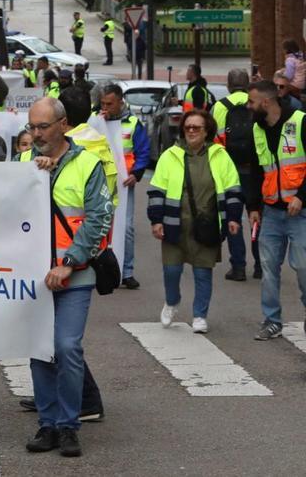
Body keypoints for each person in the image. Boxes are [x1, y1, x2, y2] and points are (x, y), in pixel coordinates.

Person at [18, 97, 112, 458]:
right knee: (40, 350)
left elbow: (98, 218)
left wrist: (68, 263)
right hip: (34, 278)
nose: (36, 134)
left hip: (75, 275)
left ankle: (69, 426)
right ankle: (48, 424)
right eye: (32, 127)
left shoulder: (88, 164)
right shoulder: (23, 164)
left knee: (66, 347)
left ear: (63, 124)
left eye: (43, 126)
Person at [148, 110, 243, 333]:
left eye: (196, 127)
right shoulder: (170, 155)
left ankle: (200, 315)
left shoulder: (220, 156)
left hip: (206, 226)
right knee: (171, 271)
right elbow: (157, 191)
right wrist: (156, 220)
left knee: (202, 273)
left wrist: (233, 217)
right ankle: (172, 301)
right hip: (174, 224)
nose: (191, 131)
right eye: (187, 127)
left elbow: (233, 189)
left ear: (207, 130)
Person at [246, 80, 306, 342]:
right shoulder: (257, 129)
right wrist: (253, 206)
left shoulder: (301, 122)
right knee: (269, 268)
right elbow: (256, 171)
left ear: (266, 102)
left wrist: (301, 197)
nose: (248, 106)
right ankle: (272, 320)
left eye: (251, 102)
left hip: (300, 213)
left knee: (303, 267)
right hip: (270, 212)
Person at [99, 84, 151, 290]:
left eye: (109, 104)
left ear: (120, 102)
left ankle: (127, 271)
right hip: (100, 182)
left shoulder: (133, 124)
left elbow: (143, 151)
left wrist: (136, 173)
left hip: (123, 183)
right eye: (103, 103)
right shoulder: (96, 121)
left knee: (126, 227)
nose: (105, 108)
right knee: (100, 225)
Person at [210, 70, 260, 281]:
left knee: (233, 217)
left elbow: (213, 141)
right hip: (254, 170)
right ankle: (260, 265)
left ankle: (238, 266)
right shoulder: (255, 103)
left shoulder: (219, 107)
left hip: (229, 171)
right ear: (247, 84)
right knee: (256, 216)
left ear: (228, 85)